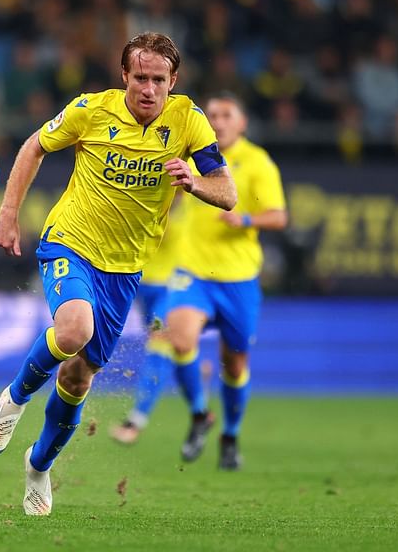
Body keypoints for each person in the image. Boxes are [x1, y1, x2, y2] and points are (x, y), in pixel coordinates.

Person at [0, 32, 237, 516]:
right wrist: (9, 213)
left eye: (158, 80)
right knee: (74, 329)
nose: (148, 88)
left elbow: (228, 193)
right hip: (70, 241)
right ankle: (14, 400)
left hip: (124, 270)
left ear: (173, 81)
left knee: (78, 380)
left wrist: (195, 183)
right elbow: (34, 146)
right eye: (139, 77)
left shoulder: (189, 121)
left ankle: (38, 466)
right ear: (124, 76)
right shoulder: (91, 110)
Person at [115, 92, 287, 469]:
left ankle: (230, 435)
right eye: (212, 115)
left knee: (235, 364)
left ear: (241, 123)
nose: (218, 121)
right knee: (179, 337)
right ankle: (198, 413)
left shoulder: (257, 162)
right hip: (192, 273)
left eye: (227, 115)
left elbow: (278, 216)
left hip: (238, 278)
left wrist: (245, 220)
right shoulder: (195, 154)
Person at [109, 195, 187, 445]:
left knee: (158, 348)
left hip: (169, 290)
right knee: (173, 350)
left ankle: (136, 422)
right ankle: (199, 399)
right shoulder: (149, 197)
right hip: (143, 288)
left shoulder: (190, 207)